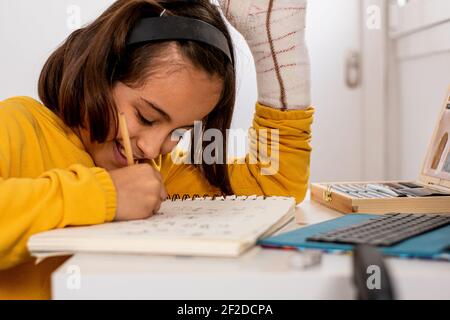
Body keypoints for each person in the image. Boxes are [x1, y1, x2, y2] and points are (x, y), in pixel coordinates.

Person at [0, 0, 313, 299]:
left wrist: (275, 53)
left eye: (179, 132)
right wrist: (105, 196)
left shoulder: (155, 173)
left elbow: (274, 187)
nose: (151, 148)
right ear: (101, 71)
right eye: (146, 117)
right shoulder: (17, 124)